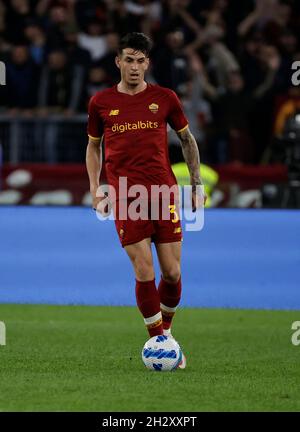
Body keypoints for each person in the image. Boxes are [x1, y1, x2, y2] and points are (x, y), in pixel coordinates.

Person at [86, 32, 206, 369]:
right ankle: (160, 343)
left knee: (171, 272)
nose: (135, 67)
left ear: (147, 63)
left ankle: (164, 336)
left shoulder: (165, 98)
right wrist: (97, 188)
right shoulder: (100, 102)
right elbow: (94, 147)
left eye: (140, 60)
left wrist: (195, 185)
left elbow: (187, 140)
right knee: (144, 270)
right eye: (129, 59)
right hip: (127, 196)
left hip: (163, 192)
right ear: (118, 62)